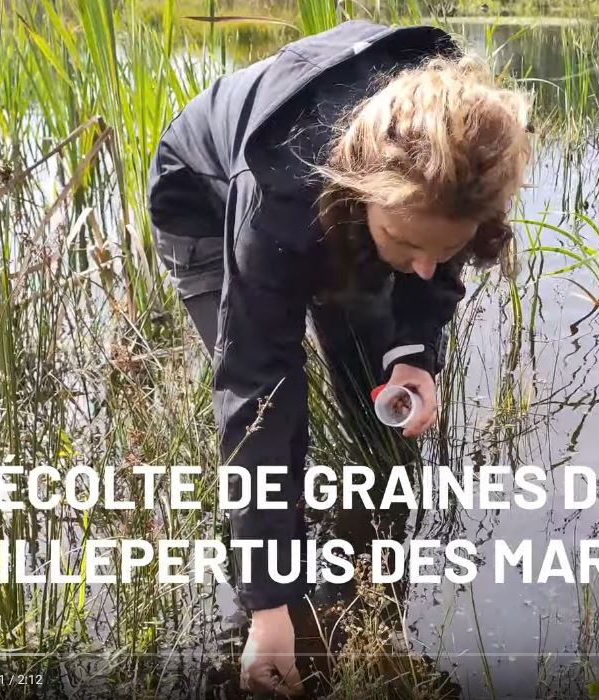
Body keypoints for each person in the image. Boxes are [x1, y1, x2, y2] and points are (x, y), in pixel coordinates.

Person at [147, 20, 532, 695]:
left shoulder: (458, 160)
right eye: (405, 241)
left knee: (374, 382)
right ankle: (275, 582)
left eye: (442, 249)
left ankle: (368, 553)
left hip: (354, 206)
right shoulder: (275, 199)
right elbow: (257, 394)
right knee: (274, 414)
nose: (422, 266)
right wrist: (269, 610)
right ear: (360, 196)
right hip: (205, 200)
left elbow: (430, 252)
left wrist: (415, 355)